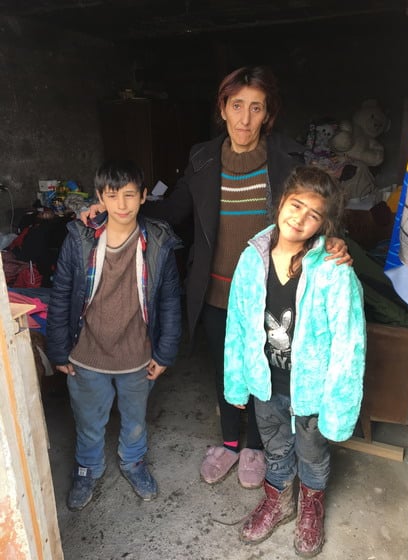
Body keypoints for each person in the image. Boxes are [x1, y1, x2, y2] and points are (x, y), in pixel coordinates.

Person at [83, 66, 351, 490]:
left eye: (256, 108)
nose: (245, 118)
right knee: (227, 370)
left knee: (266, 374)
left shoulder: (288, 160)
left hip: (274, 295)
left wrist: (333, 240)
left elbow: (315, 209)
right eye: (236, 105)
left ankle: (257, 448)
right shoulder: (203, 158)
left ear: (268, 114)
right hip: (216, 292)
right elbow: (172, 211)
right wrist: (118, 208)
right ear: (222, 109)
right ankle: (228, 443)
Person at [224, 166, 366, 556]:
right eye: (296, 205)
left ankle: (310, 508)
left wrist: (338, 406)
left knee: (312, 453)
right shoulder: (252, 259)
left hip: (312, 392)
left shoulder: (333, 270)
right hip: (266, 383)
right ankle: (279, 502)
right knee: (276, 448)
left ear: (324, 225)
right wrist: (237, 381)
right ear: (281, 201)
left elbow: (349, 343)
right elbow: (237, 323)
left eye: (314, 214)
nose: (300, 218)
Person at [46, 160, 182, 511]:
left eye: (130, 195)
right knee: (89, 421)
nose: (122, 204)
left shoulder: (158, 242)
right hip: (87, 353)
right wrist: (58, 350)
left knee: (135, 419)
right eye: (113, 195)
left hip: (137, 354)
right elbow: (61, 293)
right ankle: (87, 468)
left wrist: (165, 353)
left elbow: (169, 301)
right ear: (100, 198)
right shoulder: (80, 239)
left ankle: (133, 461)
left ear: (144, 196)